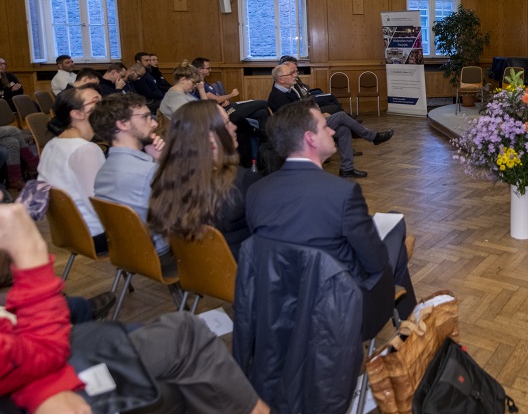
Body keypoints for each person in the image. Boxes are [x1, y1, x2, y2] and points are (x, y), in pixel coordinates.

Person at [0, 122, 354, 414]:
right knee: (184, 346)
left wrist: (43, 388)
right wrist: (30, 261)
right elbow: (30, 352)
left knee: (186, 378)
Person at [248, 100, 416, 339]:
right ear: (310, 138)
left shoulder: (256, 192)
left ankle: (411, 325)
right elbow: (376, 264)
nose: (333, 131)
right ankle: (412, 328)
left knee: (390, 224)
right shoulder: (342, 193)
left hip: (282, 308)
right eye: (325, 126)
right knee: (396, 226)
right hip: (341, 311)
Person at [149, 100, 260, 260]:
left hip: (193, 269)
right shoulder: (242, 181)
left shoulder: (168, 181)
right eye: (226, 123)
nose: (234, 127)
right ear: (210, 137)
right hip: (242, 269)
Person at [90, 94, 176, 274]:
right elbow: (185, 214)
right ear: (123, 124)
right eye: (146, 117)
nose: (154, 123)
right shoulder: (148, 172)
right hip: (163, 256)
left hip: (126, 254)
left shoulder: (102, 172)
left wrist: (154, 159)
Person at [267, 61, 392, 179]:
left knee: (343, 130)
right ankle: (372, 137)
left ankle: (347, 169)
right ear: (281, 79)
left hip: (307, 123)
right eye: (291, 74)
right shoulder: (277, 96)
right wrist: (318, 117)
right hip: (300, 130)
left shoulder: (289, 91)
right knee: (341, 116)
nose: (295, 75)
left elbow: (301, 109)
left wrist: (317, 114)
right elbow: (293, 119)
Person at [37, 87, 107, 251]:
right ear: (77, 113)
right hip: (94, 233)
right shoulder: (86, 149)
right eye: (96, 102)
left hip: (66, 231)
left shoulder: (52, 144)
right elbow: (98, 203)